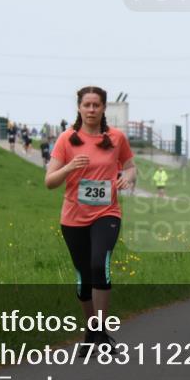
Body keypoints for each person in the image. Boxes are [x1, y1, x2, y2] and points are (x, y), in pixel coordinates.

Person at [45, 86, 136, 350]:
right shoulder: (66, 139)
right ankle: (91, 331)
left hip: (107, 213)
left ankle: (101, 333)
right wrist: (69, 167)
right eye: (87, 105)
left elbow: (131, 167)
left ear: (104, 108)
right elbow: (49, 182)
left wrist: (127, 178)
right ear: (79, 108)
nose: (92, 109)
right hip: (73, 217)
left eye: (97, 105)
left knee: (99, 265)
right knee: (83, 276)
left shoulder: (116, 138)